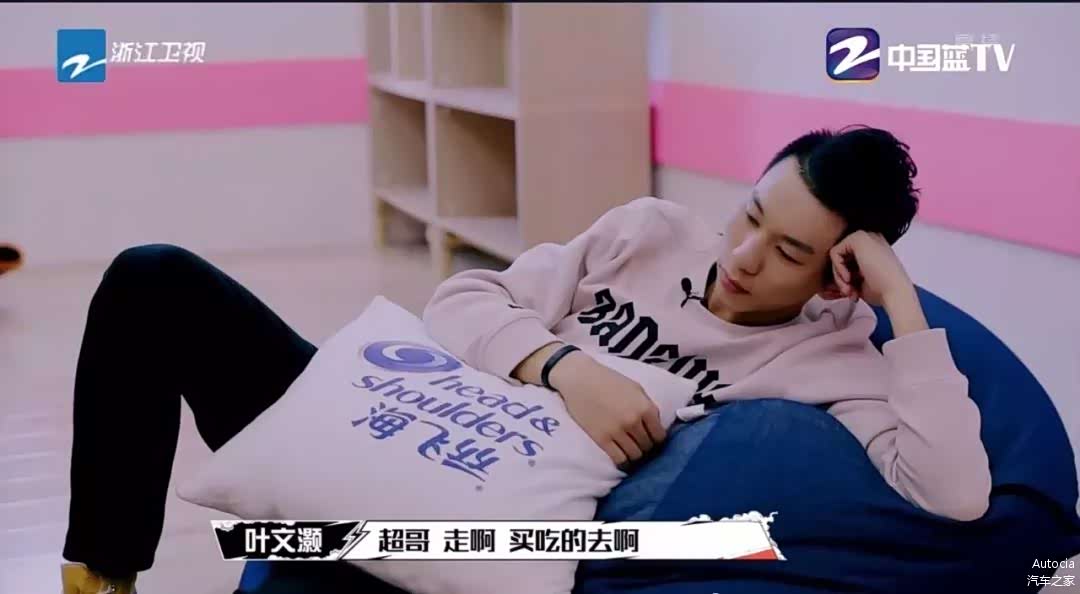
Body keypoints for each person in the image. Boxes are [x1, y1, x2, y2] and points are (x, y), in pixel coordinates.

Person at [59, 125, 991, 593]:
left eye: (787, 252)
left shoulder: (832, 357)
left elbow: (954, 494)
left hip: (478, 516)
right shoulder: (648, 231)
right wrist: (566, 370)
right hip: (397, 424)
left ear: (839, 276)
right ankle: (102, 576)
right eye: (749, 215)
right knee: (155, 279)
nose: (742, 258)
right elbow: (463, 300)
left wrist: (901, 305)